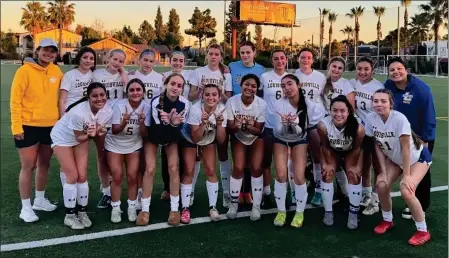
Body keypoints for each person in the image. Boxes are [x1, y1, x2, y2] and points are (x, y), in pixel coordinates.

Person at [367, 88, 432, 246]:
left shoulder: (399, 118)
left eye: (383, 101)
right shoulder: (370, 118)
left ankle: (423, 230)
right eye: (376, 101)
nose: (379, 104)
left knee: (406, 190)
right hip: (395, 159)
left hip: (417, 158)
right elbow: (377, 147)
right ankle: (387, 220)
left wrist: (407, 175)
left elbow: (406, 149)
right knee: (381, 185)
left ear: (390, 103)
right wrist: (382, 171)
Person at [11, 38, 63, 223]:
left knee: (45, 164)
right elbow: (15, 101)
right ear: (38, 50)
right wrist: (17, 127)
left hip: (50, 127)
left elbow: (61, 99)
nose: (48, 54)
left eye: (52, 51)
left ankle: (39, 200)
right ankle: (26, 208)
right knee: (28, 166)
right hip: (27, 126)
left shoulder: (56, 71)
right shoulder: (24, 71)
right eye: (45, 50)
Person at [51, 82, 111, 229]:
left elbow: (96, 130)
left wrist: (98, 131)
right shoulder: (78, 113)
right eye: (94, 96)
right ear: (88, 98)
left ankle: (82, 212)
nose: (99, 99)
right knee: (72, 175)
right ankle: (69, 216)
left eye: (102, 95)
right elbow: (80, 138)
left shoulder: (107, 112)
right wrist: (94, 133)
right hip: (62, 138)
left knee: (82, 176)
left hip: (82, 137)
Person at [384, 57, 436, 220]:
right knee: (399, 168)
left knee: (420, 172)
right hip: (398, 138)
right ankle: (384, 199)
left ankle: (420, 205)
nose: (396, 72)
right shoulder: (388, 87)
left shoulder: (420, 89)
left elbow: (429, 116)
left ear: (406, 70)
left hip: (420, 138)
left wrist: (425, 140)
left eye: (399, 68)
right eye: (392, 70)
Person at [136, 73, 190, 226]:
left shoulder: (184, 104)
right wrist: (170, 124)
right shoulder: (156, 102)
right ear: (166, 84)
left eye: (179, 86)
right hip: (153, 136)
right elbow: (158, 131)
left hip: (171, 136)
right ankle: (145, 210)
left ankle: (174, 209)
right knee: (150, 168)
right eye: (173, 84)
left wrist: (173, 123)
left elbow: (178, 131)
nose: (175, 88)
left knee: (174, 167)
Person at [189, 43, 233, 208]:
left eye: (217, 54)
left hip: (219, 115)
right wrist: (201, 90)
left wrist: (219, 93)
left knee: (222, 152)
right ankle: (191, 191)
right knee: (196, 155)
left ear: (221, 57)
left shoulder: (225, 74)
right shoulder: (198, 72)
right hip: (201, 115)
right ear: (206, 55)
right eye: (211, 54)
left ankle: (227, 194)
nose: (213, 57)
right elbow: (191, 96)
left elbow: (228, 100)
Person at [179, 84, 227, 223]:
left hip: (209, 137)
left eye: (214, 95)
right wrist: (203, 123)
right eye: (207, 94)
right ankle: (185, 208)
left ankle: (213, 207)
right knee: (188, 170)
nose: (210, 97)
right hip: (190, 136)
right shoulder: (195, 109)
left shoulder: (222, 109)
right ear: (202, 96)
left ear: (219, 97)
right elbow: (195, 138)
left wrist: (219, 124)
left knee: (211, 170)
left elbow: (221, 140)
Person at [106, 78, 150, 223]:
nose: (135, 92)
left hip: (134, 144)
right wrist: (124, 121)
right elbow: (115, 130)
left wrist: (143, 122)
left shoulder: (146, 106)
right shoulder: (120, 105)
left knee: (132, 176)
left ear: (143, 92)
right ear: (127, 92)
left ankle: (131, 206)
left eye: (138, 90)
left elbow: (144, 134)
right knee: (117, 176)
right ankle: (116, 208)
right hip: (115, 144)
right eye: (132, 90)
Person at [317, 95, 365, 229]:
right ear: (330, 110)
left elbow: (356, 148)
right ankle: (328, 212)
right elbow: (325, 146)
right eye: (335, 110)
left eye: (342, 111)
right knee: (327, 173)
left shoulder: (358, 128)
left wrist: (354, 166)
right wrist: (327, 163)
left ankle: (353, 213)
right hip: (332, 150)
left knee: (354, 175)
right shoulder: (323, 125)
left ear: (348, 112)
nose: (338, 114)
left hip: (351, 151)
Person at [228, 41, 266, 206]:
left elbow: (258, 130)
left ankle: (248, 192)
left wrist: (250, 122)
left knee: (254, 164)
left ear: (254, 53)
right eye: (242, 52)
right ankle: (235, 198)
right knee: (239, 164)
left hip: (253, 113)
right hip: (236, 109)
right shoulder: (231, 66)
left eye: (248, 52)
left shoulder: (261, 70)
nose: (245, 55)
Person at [226, 74, 267, 221]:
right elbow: (229, 129)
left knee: (256, 167)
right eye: (247, 84)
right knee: (238, 167)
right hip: (238, 136)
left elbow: (259, 130)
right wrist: (238, 126)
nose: (250, 88)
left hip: (255, 137)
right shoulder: (232, 101)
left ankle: (256, 206)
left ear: (257, 89)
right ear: (241, 85)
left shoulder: (261, 104)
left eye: (253, 86)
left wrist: (247, 126)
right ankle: (234, 203)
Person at [160, 50, 199, 206]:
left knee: (186, 155)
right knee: (167, 155)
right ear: (170, 60)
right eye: (175, 60)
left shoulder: (191, 74)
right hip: (168, 117)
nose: (177, 63)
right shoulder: (163, 77)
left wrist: (225, 68)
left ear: (184, 62)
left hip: (186, 117)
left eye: (181, 61)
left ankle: (186, 188)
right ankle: (168, 187)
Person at [127, 49, 164, 209]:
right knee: (136, 161)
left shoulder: (160, 78)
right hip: (135, 122)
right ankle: (137, 192)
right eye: (145, 60)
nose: (148, 64)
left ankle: (144, 193)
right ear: (139, 60)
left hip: (152, 123)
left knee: (148, 161)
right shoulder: (131, 76)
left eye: (151, 61)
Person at [92, 49, 128, 209]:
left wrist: (123, 72)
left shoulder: (123, 75)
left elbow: (128, 89)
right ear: (109, 57)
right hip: (101, 119)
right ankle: (106, 190)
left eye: (121, 61)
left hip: (117, 120)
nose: (117, 63)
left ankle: (115, 186)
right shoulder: (97, 74)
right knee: (102, 155)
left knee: (118, 156)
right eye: (115, 59)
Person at [272, 74, 308, 228]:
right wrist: (286, 124)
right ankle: (281, 211)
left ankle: (299, 212)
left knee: (299, 176)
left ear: (298, 85)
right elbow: (278, 130)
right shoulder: (278, 104)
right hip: (281, 138)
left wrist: (295, 124)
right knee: (281, 174)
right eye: (283, 86)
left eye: (290, 84)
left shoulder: (309, 104)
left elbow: (307, 131)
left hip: (300, 138)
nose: (286, 88)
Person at [58, 46, 96, 186]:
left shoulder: (93, 75)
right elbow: (62, 99)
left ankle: (79, 198)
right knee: (67, 161)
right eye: (85, 57)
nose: (88, 60)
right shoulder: (70, 75)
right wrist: (62, 118)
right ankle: (67, 188)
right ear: (79, 58)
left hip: (84, 120)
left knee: (81, 161)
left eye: (91, 58)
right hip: (69, 119)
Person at [294, 48, 327, 207]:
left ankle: (319, 189)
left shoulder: (320, 77)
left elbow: (325, 97)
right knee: (297, 156)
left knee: (317, 155)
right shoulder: (293, 75)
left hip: (315, 120)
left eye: (308, 57)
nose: (305, 60)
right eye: (302, 57)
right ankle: (300, 187)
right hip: (298, 121)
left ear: (312, 60)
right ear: (298, 59)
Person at [352, 57, 385, 216]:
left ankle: (376, 199)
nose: (362, 72)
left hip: (376, 132)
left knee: (379, 166)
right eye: (359, 68)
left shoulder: (378, 87)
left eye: (366, 69)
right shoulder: (353, 84)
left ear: (372, 70)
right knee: (364, 165)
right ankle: (366, 195)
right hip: (361, 132)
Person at [259, 50, 289, 206]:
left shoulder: (291, 78)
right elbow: (258, 98)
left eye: (282, 58)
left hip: (286, 127)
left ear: (286, 60)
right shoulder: (265, 77)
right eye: (276, 58)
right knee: (266, 161)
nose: (279, 61)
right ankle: (266, 192)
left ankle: (284, 192)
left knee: (285, 163)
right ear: (272, 61)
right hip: (268, 125)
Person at [321, 56, 355, 198]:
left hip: (343, 125)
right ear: (329, 66)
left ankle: (347, 191)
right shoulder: (322, 81)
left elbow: (351, 107)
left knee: (344, 159)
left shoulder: (345, 84)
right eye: (334, 66)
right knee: (328, 157)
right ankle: (339, 189)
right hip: (326, 125)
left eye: (340, 68)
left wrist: (342, 124)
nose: (336, 70)